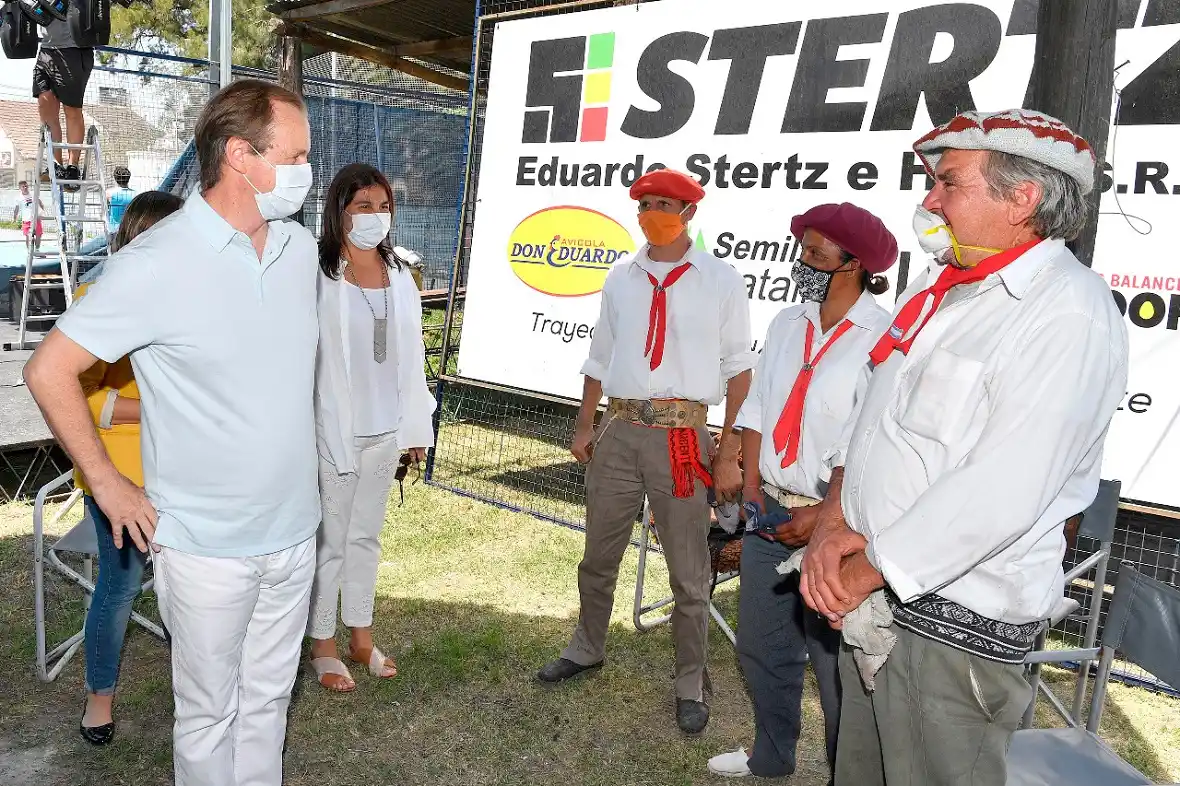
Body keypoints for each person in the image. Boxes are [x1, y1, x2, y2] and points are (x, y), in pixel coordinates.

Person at [799, 109, 1130, 786]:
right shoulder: (941, 290)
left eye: (949, 183)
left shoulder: (1068, 311)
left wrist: (860, 573)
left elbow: (1003, 486)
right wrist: (834, 518)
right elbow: (871, 416)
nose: (929, 199)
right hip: (873, 594)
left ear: (1022, 198)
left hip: (951, 635)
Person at [24, 79, 318, 786]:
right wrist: (107, 483)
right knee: (209, 714)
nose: (310, 170)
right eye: (298, 154)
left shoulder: (300, 251)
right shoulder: (157, 262)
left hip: (296, 536)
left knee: (268, 704)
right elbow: (49, 371)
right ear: (242, 157)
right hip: (206, 548)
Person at [536, 169, 755, 735]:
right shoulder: (620, 279)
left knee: (688, 568)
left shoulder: (721, 282)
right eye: (646, 204)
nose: (653, 212)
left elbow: (739, 370)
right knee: (598, 553)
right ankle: (587, 646)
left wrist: (727, 446)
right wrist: (586, 425)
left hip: (684, 437)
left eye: (666, 204)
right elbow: (600, 357)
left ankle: (689, 681)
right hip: (620, 429)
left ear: (689, 213)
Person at [708, 203, 896, 781]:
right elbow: (760, 403)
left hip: (838, 528)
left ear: (855, 264)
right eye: (802, 250)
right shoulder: (789, 323)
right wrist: (755, 484)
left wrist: (823, 516)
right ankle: (772, 753)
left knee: (836, 667)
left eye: (816, 254)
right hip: (772, 510)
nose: (803, 262)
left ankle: (848, 772)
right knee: (761, 646)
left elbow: (871, 432)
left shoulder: (884, 334)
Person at [307, 163, 435, 692]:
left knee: (366, 538)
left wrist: (414, 430)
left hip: (386, 431)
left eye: (384, 207)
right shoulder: (318, 273)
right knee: (330, 542)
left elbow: (414, 355)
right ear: (339, 211)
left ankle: (361, 635)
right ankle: (322, 645)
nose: (376, 217)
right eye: (363, 207)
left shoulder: (400, 274)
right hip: (334, 433)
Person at [74, 190, 184, 746]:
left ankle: (197, 688)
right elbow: (75, 392)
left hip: (185, 468)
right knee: (119, 587)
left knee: (189, 583)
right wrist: (154, 407)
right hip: (119, 475)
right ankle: (99, 698)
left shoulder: (192, 295)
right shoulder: (99, 294)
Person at [33, 4, 95, 185]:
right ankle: (55, 163)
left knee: (72, 109)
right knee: (45, 104)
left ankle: (72, 166)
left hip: (74, 48)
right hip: (46, 49)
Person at [13, 180, 45, 251]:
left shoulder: (33, 194)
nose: (25, 187)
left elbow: (40, 203)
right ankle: (29, 251)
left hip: (36, 219)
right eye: (23, 186)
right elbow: (16, 209)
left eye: (26, 186)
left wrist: (42, 212)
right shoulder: (19, 198)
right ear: (20, 188)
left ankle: (37, 250)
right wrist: (14, 218)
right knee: (28, 236)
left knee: (39, 235)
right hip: (27, 220)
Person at [106, 166, 137, 234]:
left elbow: (105, 210)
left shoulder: (109, 193)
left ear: (115, 178)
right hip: (130, 228)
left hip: (114, 229)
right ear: (128, 178)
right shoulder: (136, 194)